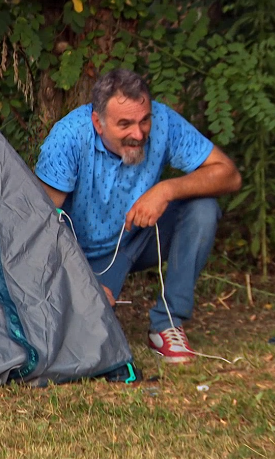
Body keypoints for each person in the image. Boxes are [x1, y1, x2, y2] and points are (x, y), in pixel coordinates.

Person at [35, 68, 242, 364]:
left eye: (144, 120)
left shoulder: (163, 120)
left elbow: (230, 175)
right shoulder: (68, 137)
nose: (139, 133)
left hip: (140, 236)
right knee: (82, 340)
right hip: (79, 255)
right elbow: (41, 225)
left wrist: (166, 190)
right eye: (125, 124)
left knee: (203, 208)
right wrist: (80, 284)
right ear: (98, 122)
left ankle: (167, 323)